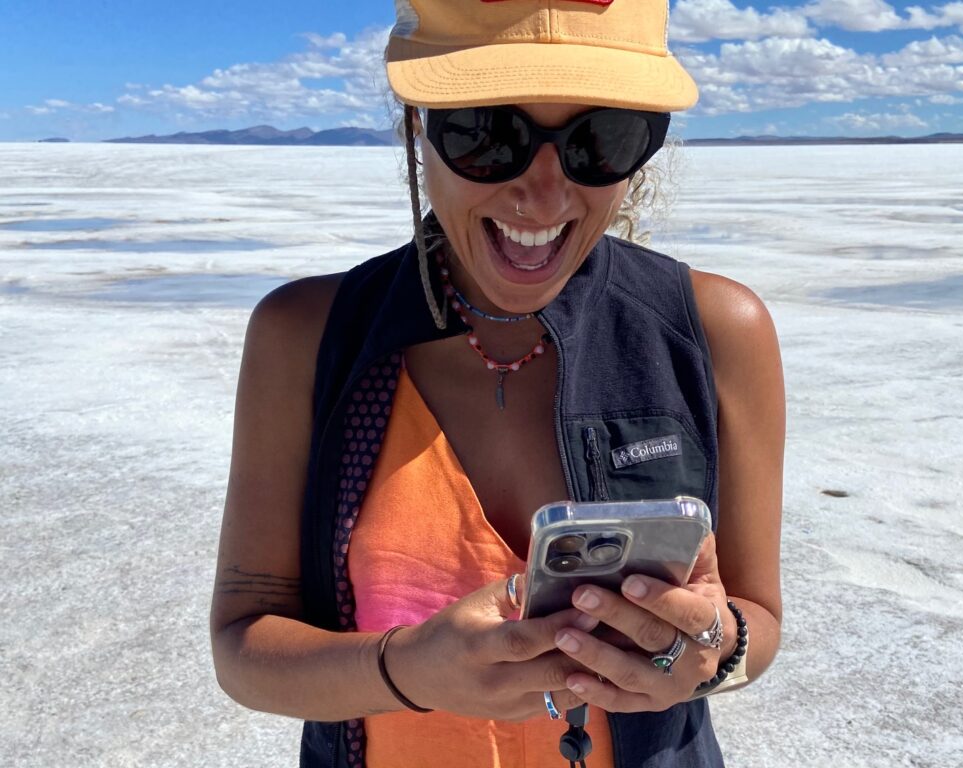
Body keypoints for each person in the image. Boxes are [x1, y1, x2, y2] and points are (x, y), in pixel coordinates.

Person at [210, 1, 784, 766]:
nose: (543, 196)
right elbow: (244, 647)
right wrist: (408, 669)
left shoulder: (715, 331)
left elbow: (757, 621)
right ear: (420, 126)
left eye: (600, 140)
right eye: (487, 134)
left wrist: (712, 646)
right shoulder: (307, 337)